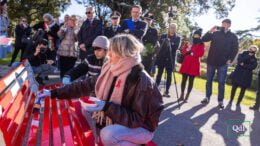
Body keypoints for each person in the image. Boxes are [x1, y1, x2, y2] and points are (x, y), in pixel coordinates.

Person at [37, 34, 163, 146]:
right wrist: (54, 93)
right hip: (123, 120)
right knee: (85, 109)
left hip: (142, 128)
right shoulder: (112, 68)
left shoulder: (140, 79)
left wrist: (106, 107)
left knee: (108, 134)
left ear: (123, 54)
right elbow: (85, 85)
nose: (108, 55)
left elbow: (136, 119)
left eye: (111, 51)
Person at [201, 19, 238, 109]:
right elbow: (204, 39)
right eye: (222, 23)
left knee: (221, 82)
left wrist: (230, 59)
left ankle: (220, 101)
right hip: (212, 61)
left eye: (225, 24)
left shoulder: (233, 36)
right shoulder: (215, 33)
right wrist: (210, 31)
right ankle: (207, 97)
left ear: (229, 25)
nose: (223, 25)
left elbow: (235, 49)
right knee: (209, 80)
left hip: (223, 63)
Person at [178, 29, 205, 102]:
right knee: (184, 80)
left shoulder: (201, 44)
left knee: (191, 80)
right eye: (195, 35)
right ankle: (182, 95)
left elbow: (201, 53)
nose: (196, 36)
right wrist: (188, 49)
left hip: (194, 64)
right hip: (186, 63)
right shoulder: (189, 42)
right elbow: (183, 52)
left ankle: (187, 96)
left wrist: (192, 53)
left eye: (197, 35)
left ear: (200, 36)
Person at [155, 23, 181, 97]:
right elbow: (160, 45)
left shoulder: (178, 38)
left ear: (176, 29)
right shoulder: (163, 35)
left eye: (174, 28)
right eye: (171, 27)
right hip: (162, 58)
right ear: (169, 28)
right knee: (159, 73)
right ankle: (155, 88)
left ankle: (167, 91)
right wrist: (166, 43)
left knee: (169, 75)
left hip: (170, 59)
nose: (172, 29)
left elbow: (176, 47)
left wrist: (170, 43)